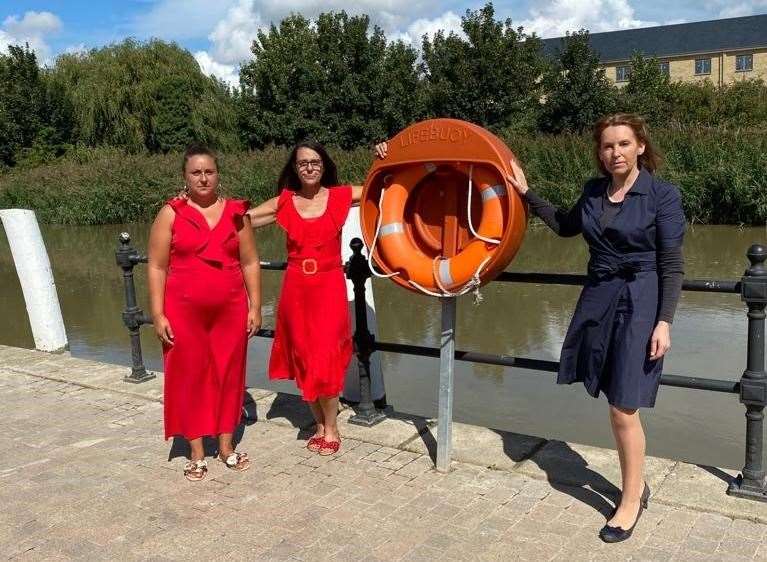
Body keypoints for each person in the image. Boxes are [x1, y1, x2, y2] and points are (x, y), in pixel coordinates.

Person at [507, 113, 685, 543]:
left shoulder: (661, 195)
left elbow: (671, 264)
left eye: (624, 144)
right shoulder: (592, 191)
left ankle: (630, 499)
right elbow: (568, 227)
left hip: (640, 300)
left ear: (641, 145)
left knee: (625, 404)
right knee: (613, 398)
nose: (615, 153)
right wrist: (527, 193)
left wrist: (664, 321)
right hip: (599, 296)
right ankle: (635, 482)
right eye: (608, 146)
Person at [248, 140, 383, 456]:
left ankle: (332, 428)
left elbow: (378, 190)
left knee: (326, 358)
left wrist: (380, 158)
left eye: (315, 162)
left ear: (324, 166)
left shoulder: (339, 196)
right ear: (295, 168)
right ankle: (319, 425)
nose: (309, 167)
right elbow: (242, 219)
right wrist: (200, 203)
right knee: (303, 358)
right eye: (302, 163)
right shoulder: (284, 201)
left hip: (328, 287)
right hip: (295, 290)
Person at [148, 143, 262, 481]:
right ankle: (197, 451)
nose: (203, 178)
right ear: (185, 177)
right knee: (189, 375)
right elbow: (156, 266)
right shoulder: (171, 213)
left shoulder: (236, 213)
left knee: (228, 373)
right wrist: (158, 314)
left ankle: (225, 447)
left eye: (208, 171)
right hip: (182, 310)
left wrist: (255, 305)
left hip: (230, 307)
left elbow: (250, 261)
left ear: (217, 174)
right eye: (195, 172)